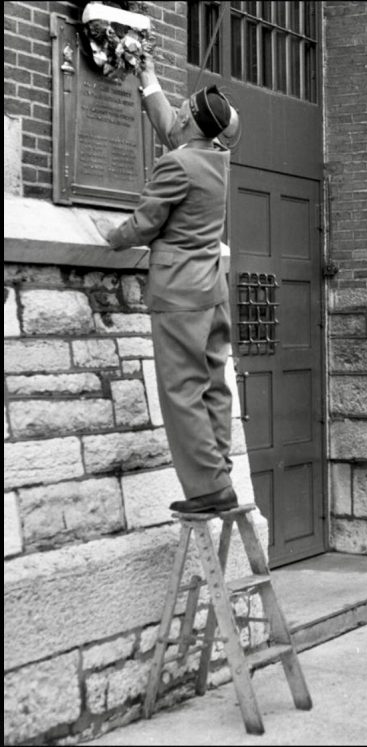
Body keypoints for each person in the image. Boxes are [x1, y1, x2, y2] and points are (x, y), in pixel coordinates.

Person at [93, 59, 240, 514]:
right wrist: (147, 76)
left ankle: (206, 489)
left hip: (179, 294)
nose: (175, 110)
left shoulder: (176, 166)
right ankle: (221, 474)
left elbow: (145, 224)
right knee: (214, 385)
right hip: (212, 290)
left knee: (182, 392)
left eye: (182, 108)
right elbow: (172, 128)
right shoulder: (214, 158)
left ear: (190, 121)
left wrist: (109, 233)